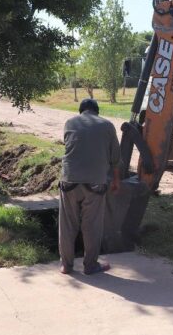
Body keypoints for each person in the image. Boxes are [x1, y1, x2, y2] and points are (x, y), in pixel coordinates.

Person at [58, 98, 121, 275]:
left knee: (68, 225)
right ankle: (90, 265)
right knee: (92, 225)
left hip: (69, 180)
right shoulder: (107, 125)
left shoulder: (70, 123)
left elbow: (71, 146)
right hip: (95, 183)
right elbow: (115, 158)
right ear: (97, 111)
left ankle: (66, 265)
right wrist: (116, 181)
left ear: (81, 111)